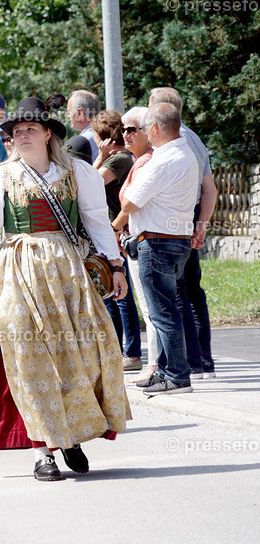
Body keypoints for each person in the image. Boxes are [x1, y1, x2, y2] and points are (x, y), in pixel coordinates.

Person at [0, 96, 130, 481]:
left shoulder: (77, 172)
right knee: (29, 358)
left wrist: (115, 266)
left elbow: (96, 220)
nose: (22, 136)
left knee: (80, 354)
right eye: (16, 132)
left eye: (30, 129)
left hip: (68, 272)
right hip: (17, 269)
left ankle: (72, 435)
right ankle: (43, 450)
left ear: (47, 134)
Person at [112, 102, 199, 396]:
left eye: (148, 127)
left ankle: (175, 375)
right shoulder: (185, 153)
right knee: (166, 309)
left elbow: (129, 202)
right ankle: (166, 370)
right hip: (176, 239)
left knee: (162, 313)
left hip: (157, 241)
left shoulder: (162, 160)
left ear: (156, 128)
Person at [148, 87, 217, 378]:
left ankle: (186, 362)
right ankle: (202, 361)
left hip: (173, 226)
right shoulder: (196, 140)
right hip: (189, 221)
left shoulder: (174, 143)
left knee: (176, 294)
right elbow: (210, 189)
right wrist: (201, 225)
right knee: (191, 292)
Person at [90, 110, 142, 371]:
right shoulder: (119, 158)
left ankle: (132, 353)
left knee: (122, 296)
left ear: (105, 138)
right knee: (111, 294)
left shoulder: (120, 159)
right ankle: (118, 351)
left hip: (116, 232)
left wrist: (100, 156)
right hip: (109, 231)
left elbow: (89, 182)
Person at [118, 107, 159, 384]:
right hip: (139, 239)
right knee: (151, 306)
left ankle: (156, 365)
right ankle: (158, 363)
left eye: (132, 129)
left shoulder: (146, 161)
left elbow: (131, 203)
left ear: (147, 130)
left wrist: (114, 227)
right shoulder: (140, 160)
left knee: (150, 307)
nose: (125, 134)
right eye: (123, 129)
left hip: (145, 241)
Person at [66, 89, 100, 160]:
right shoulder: (102, 133)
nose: (68, 116)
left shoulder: (85, 140)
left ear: (80, 113)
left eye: (69, 112)